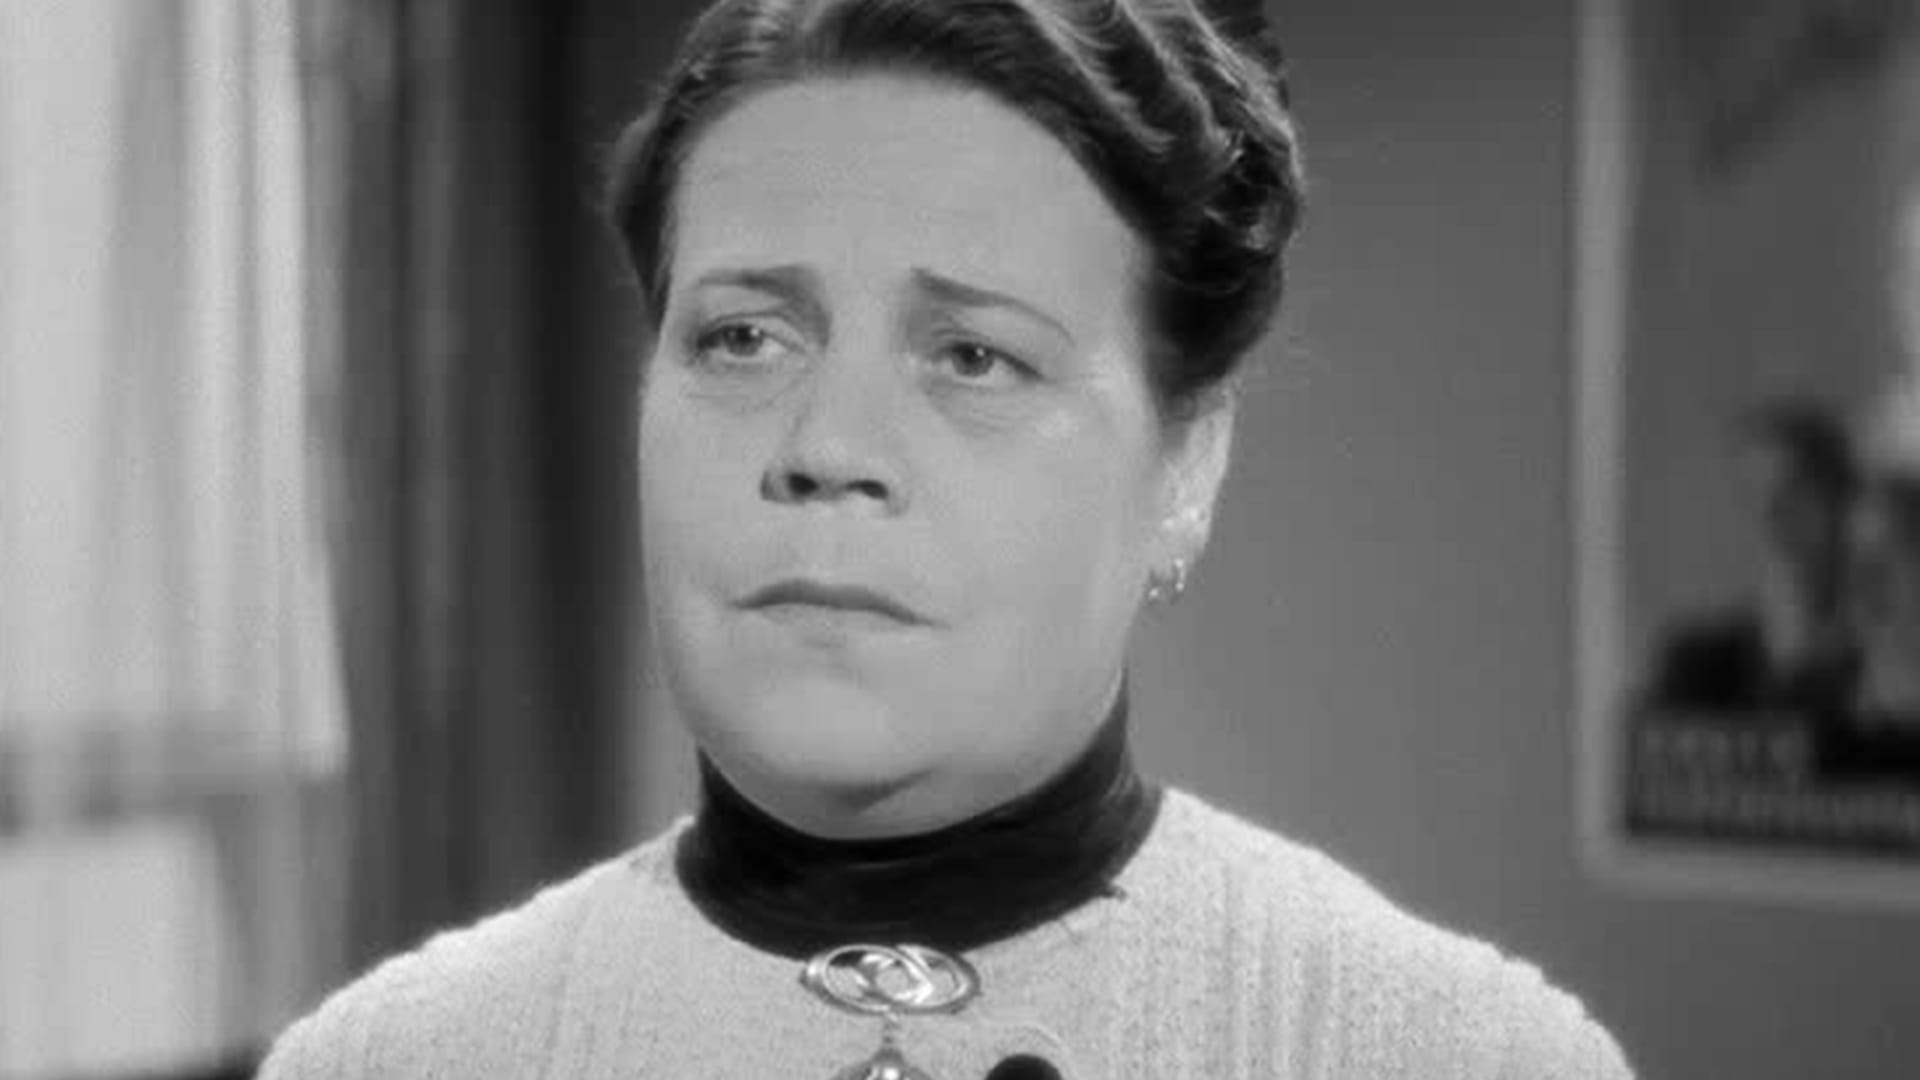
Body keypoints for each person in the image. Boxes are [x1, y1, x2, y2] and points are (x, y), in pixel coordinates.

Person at [259, 1, 1632, 1076]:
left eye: (973, 356)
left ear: (1185, 463)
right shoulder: (384, 1063)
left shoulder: (1464, 1059)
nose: (828, 445)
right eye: (743, 339)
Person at [1640, 399, 1862, 719]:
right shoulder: (1698, 666)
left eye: (1796, 492)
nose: (1772, 516)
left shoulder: (1886, 669)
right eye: (1757, 496)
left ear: (1843, 504)